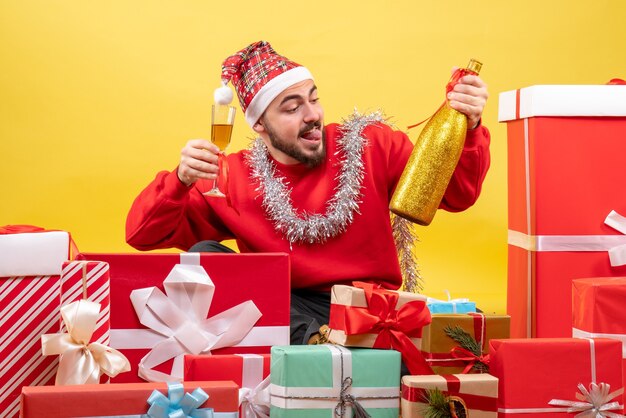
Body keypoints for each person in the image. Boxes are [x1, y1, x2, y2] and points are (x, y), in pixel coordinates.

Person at [126, 40, 491, 346]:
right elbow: (141, 235)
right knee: (206, 256)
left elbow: (457, 196)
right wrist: (180, 179)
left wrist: (469, 126)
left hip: (365, 306)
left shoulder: (371, 145)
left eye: (313, 99)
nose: (312, 114)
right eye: (292, 107)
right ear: (259, 124)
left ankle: (332, 353)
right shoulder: (232, 175)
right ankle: (319, 349)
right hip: (284, 309)